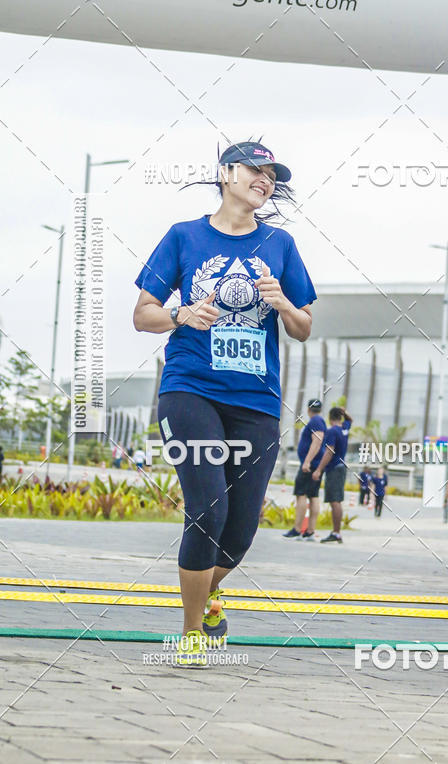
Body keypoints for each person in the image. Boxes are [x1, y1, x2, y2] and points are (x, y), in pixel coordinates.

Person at [134, 140, 316, 666]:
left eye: (271, 175)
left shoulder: (280, 244)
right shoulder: (184, 236)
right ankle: (192, 631)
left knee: (241, 526)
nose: (264, 180)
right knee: (207, 507)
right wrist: (181, 314)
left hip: (256, 399)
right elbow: (143, 314)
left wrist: (283, 303)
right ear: (226, 173)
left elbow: (303, 327)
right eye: (255, 170)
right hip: (190, 388)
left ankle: (210, 593)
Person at [284, 399, 326, 540]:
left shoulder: (315, 421)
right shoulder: (320, 421)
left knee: (301, 494)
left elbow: (317, 440)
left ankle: (297, 529)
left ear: (309, 410)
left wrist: (307, 461)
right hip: (316, 465)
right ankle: (309, 531)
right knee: (313, 496)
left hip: (310, 465)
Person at [313, 407, 352, 544]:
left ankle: (336, 533)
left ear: (330, 418)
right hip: (341, 467)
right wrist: (344, 412)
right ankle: (337, 532)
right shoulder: (344, 428)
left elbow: (329, 452)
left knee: (334, 501)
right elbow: (350, 420)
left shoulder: (332, 431)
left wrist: (318, 469)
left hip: (334, 468)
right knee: (337, 500)